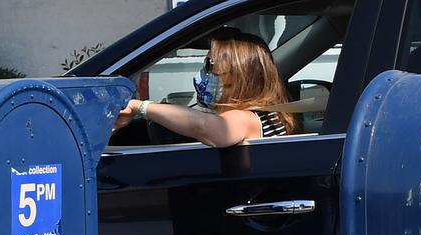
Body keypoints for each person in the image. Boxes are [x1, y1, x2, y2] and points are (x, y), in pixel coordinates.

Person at [114, 30, 298, 147]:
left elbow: (203, 127)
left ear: (239, 73)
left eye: (211, 65)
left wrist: (141, 106)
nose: (205, 73)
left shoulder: (244, 118)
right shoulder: (270, 114)